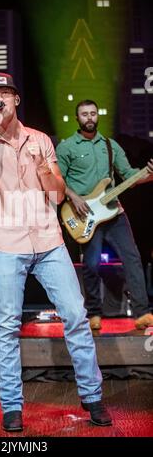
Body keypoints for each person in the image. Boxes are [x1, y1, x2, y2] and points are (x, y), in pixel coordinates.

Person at [0, 73, 111, 432]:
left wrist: (43, 166)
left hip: (47, 240)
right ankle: (12, 406)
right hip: (5, 243)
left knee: (76, 314)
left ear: (16, 100)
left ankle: (92, 397)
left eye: (4, 95)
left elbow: (58, 194)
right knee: (8, 323)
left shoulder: (40, 140)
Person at [56, 99, 153, 331]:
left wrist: (149, 174)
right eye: (84, 114)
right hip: (83, 214)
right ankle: (94, 313)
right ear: (77, 118)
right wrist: (73, 197)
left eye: (92, 113)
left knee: (133, 258)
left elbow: (129, 176)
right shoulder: (67, 147)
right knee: (91, 264)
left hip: (114, 212)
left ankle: (142, 313)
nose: (89, 117)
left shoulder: (110, 146)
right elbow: (56, 180)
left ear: (97, 116)